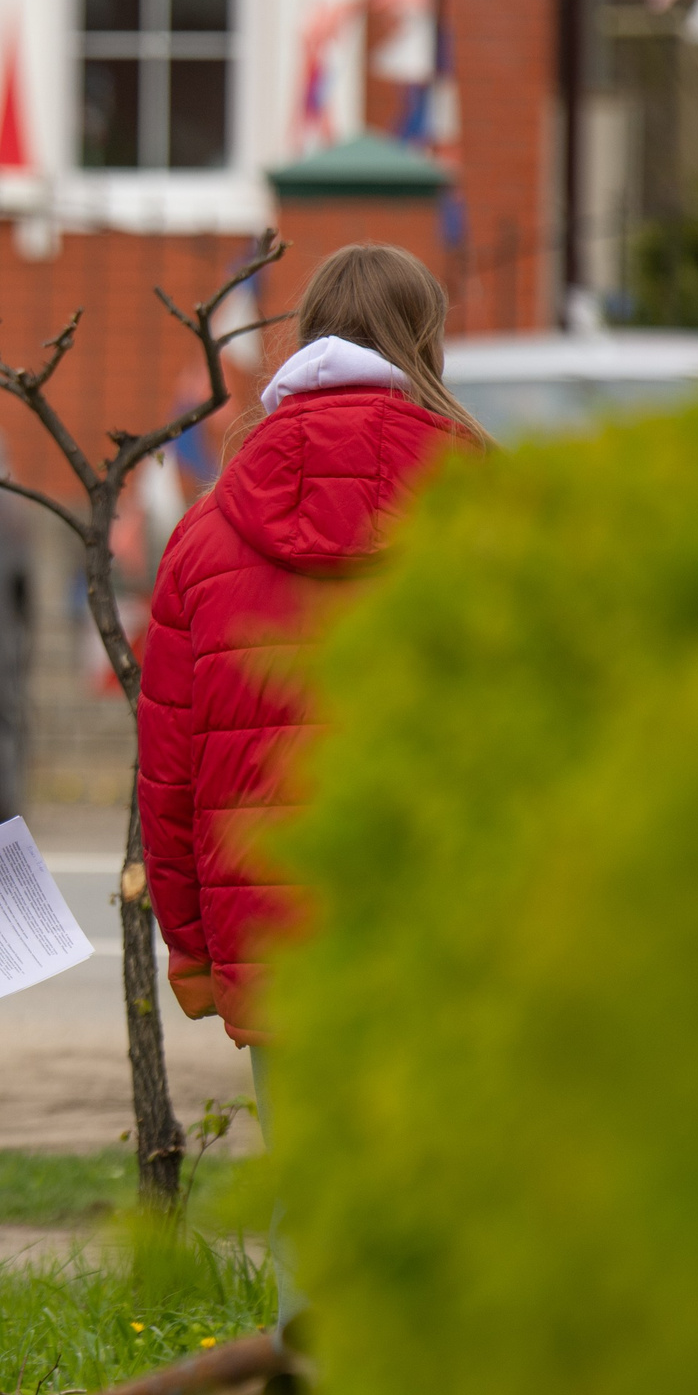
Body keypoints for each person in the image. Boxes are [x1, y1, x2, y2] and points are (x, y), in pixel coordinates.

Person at [135, 242, 480, 1326]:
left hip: (272, 928)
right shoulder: (483, 503)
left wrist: (191, 944)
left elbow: (171, 767)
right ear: (425, 342)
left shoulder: (204, 531)